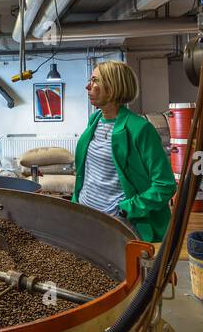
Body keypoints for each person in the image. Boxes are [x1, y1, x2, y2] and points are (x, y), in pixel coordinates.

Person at [72, 60, 176, 242]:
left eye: (95, 81)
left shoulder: (140, 129)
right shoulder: (95, 120)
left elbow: (165, 185)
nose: (88, 86)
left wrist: (125, 209)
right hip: (86, 216)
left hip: (117, 223)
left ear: (112, 88)